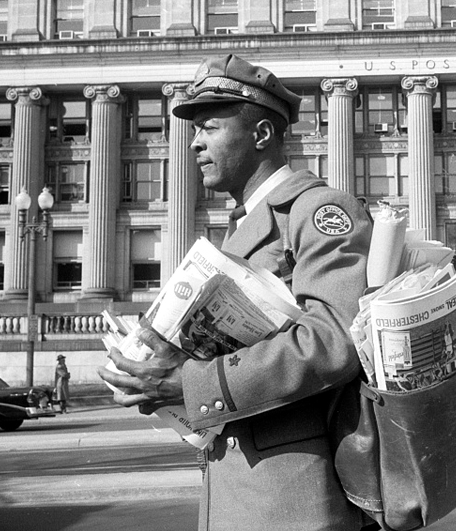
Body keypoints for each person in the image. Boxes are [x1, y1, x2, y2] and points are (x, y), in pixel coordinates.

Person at [98, 55, 373, 531]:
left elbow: (335, 342)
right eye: (194, 131)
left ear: (261, 135)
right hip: (247, 490)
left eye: (209, 127)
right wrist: (158, 379)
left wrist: (189, 383)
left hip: (296, 498)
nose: (195, 143)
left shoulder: (319, 210)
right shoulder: (244, 223)